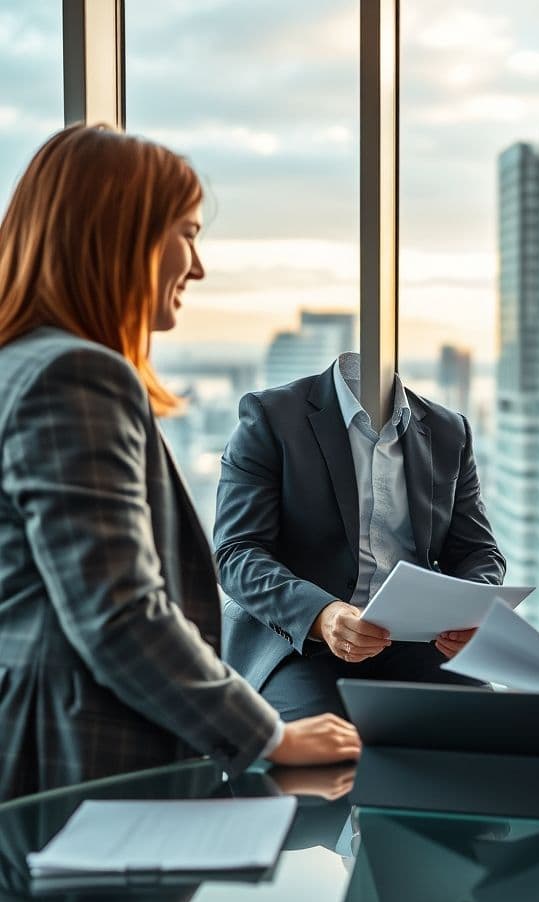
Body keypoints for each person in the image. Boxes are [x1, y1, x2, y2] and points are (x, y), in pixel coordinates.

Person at [0, 124, 360, 800]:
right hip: (74, 764)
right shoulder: (74, 376)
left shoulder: (18, 366)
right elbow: (119, 614)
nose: (197, 267)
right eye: (187, 234)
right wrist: (271, 737)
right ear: (120, 236)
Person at [213, 347, 506, 722]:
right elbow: (236, 552)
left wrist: (470, 611)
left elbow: (479, 552)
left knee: (489, 730)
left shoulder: (449, 430)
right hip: (303, 641)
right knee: (323, 748)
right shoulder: (270, 416)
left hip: (419, 641)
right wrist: (322, 614)